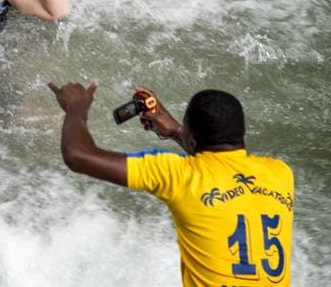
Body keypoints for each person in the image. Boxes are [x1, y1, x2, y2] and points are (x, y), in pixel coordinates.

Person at [48, 81, 294, 287]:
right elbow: (218, 161)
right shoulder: (280, 174)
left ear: (193, 139)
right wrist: (176, 129)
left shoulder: (178, 175)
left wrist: (76, 108)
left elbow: (78, 155)